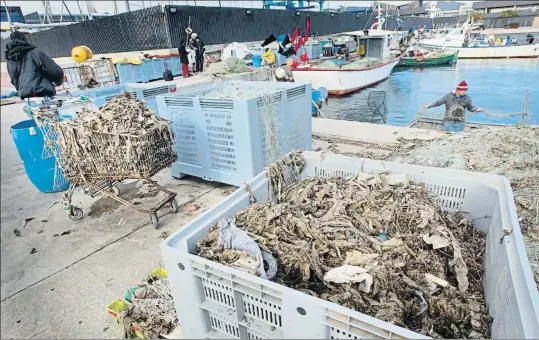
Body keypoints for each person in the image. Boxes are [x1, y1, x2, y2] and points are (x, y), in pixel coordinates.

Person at [5, 30, 63, 99]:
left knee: (34, 109)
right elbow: (56, 71)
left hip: (25, 95)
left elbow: (13, 78)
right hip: (43, 92)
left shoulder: (10, 59)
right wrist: (58, 81)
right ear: (24, 39)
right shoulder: (35, 52)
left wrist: (21, 89)